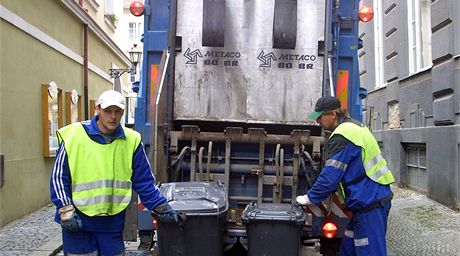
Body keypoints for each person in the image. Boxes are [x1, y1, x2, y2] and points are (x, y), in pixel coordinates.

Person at [50, 90, 178, 255]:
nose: (113, 116)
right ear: (97, 109)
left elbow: (144, 181)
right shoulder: (74, 136)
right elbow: (59, 178)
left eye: (117, 111)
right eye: (108, 111)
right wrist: (65, 210)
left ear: (123, 113)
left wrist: (161, 207)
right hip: (77, 222)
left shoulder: (131, 140)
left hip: (111, 223)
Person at [296, 96, 395, 256]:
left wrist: (309, 198)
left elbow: (329, 178)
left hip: (370, 204)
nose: (318, 121)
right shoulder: (355, 126)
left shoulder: (342, 135)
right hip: (366, 202)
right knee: (349, 248)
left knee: (370, 251)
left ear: (333, 115)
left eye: (320, 117)